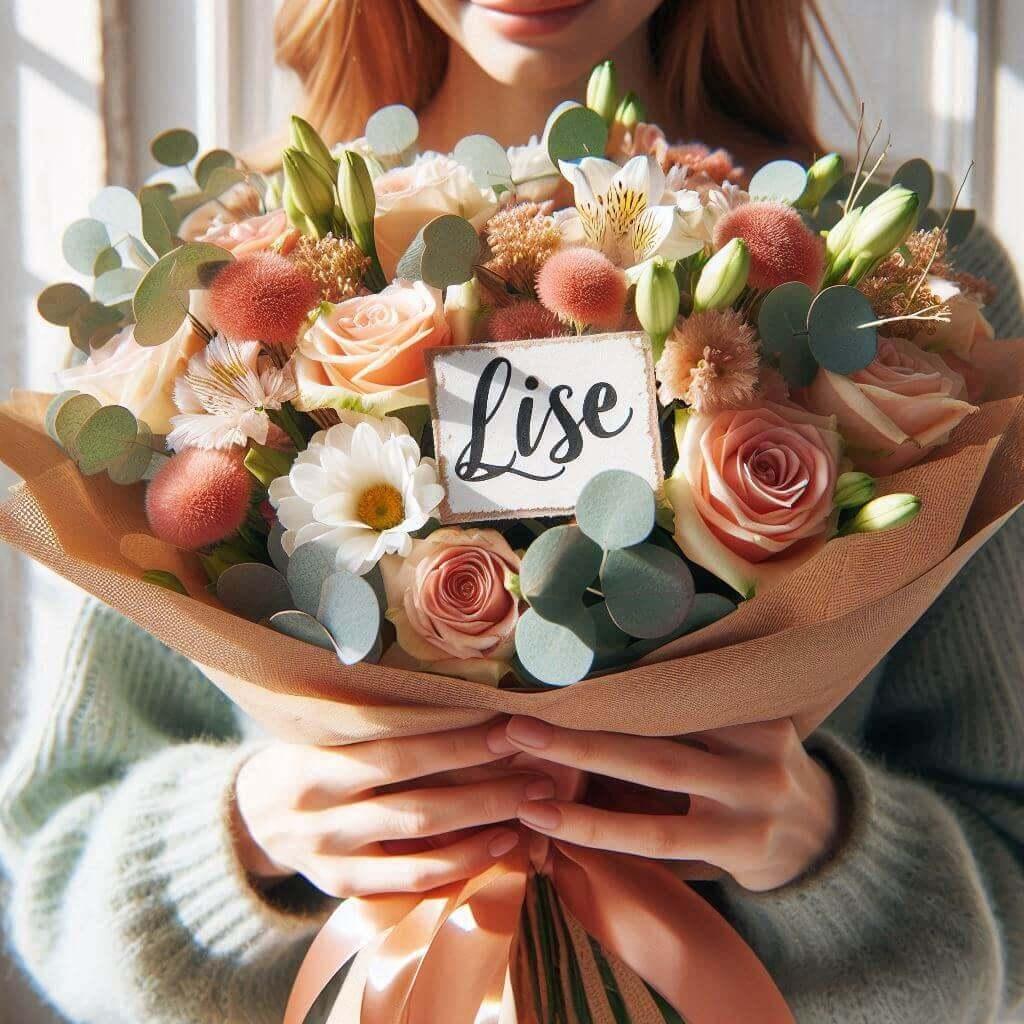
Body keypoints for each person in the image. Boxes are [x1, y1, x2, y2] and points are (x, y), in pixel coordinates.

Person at [2, 1, 1022, 1022]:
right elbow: (55, 867)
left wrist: (830, 848)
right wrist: (246, 838)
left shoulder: (906, 288)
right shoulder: (217, 282)